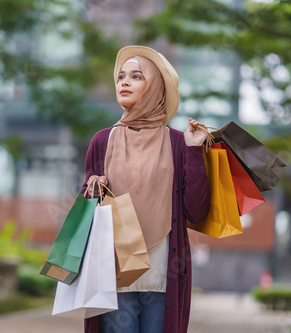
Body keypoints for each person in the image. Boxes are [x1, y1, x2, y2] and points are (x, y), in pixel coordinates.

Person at [81, 45, 210, 333]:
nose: (124, 82)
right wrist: (92, 187)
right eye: (121, 77)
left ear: (156, 87)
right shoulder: (102, 141)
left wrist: (193, 152)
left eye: (136, 76)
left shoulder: (179, 143)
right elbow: (87, 204)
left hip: (164, 274)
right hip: (114, 275)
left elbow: (195, 211)